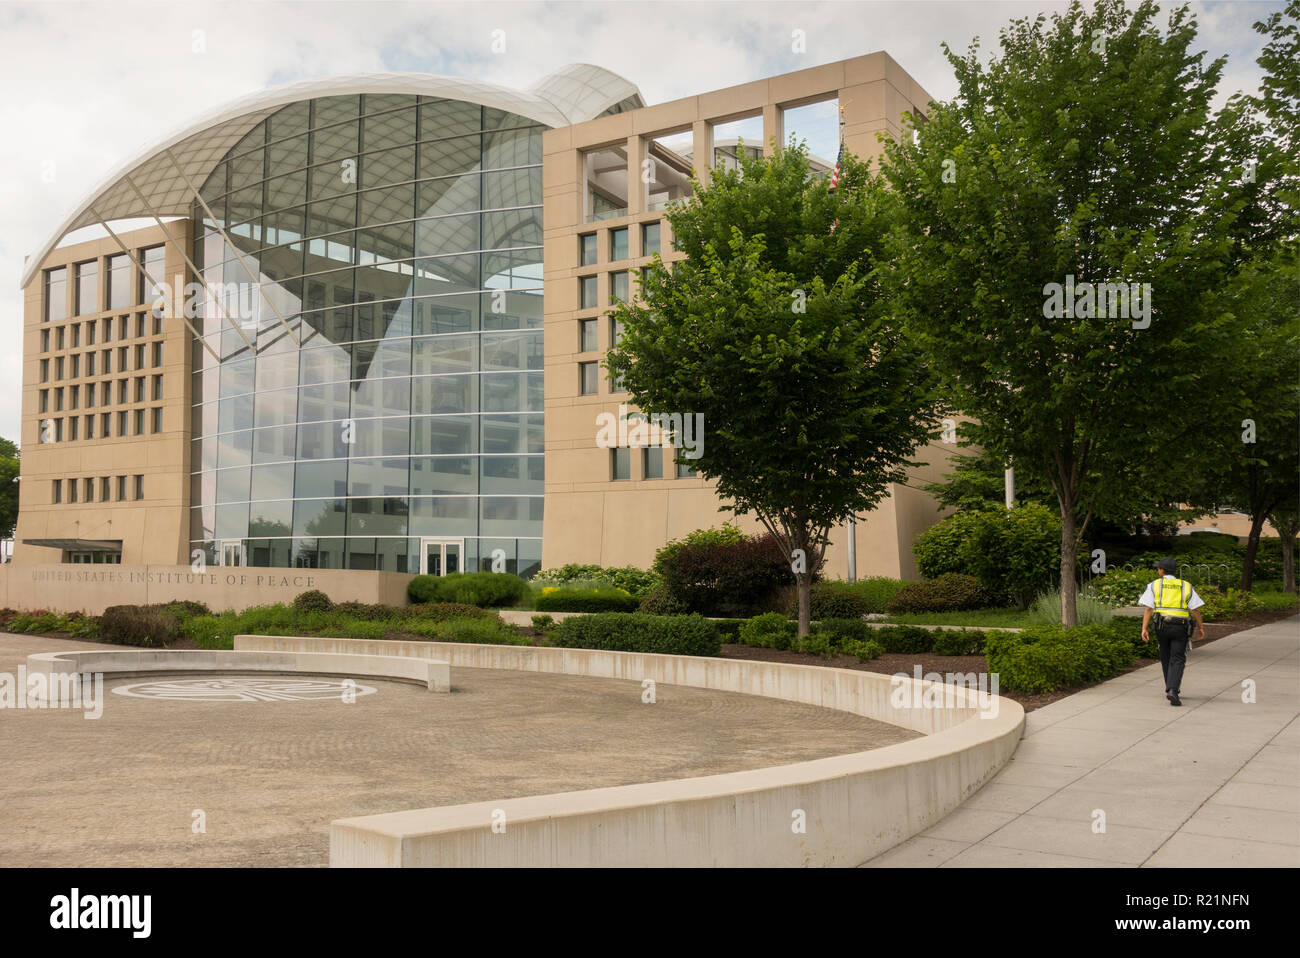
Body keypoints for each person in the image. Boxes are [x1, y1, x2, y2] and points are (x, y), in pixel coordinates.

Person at [1137, 557, 1206, 706]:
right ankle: (1173, 689)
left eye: (1158, 568)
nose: (1157, 570)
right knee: (1178, 658)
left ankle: (1170, 687)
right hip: (1180, 627)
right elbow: (1195, 609)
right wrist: (1201, 627)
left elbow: (1148, 608)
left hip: (1161, 627)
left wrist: (1144, 628)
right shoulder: (1185, 585)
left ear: (1162, 570)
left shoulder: (1155, 585)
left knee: (1165, 655)